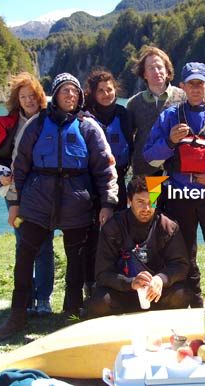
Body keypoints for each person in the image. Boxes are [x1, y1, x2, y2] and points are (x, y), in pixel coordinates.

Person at [0, 73, 118, 340]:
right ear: (55, 96)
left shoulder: (88, 127)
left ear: (80, 96)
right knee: (25, 255)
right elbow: (20, 166)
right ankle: (18, 314)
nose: (70, 95)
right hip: (38, 201)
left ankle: (71, 313)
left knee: (77, 259)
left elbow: (105, 169)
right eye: (64, 91)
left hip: (76, 202)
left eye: (74, 91)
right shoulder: (37, 125)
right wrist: (15, 203)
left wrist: (107, 203)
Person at [143, 62, 205, 307]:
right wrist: (169, 141)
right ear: (182, 86)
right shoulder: (169, 117)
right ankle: (194, 304)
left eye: (200, 83)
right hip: (178, 198)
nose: (196, 88)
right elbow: (150, 157)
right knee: (185, 256)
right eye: (191, 84)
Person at [0, 72, 55, 317]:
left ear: (40, 96)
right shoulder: (10, 126)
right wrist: (2, 182)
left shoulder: (50, 119)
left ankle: (43, 298)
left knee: (44, 246)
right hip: (18, 198)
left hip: (45, 197)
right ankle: (27, 296)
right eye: (23, 97)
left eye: (32, 96)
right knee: (23, 244)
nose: (29, 101)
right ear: (17, 100)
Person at [86, 176, 193, 317]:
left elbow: (180, 265)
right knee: (99, 302)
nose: (147, 208)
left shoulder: (168, 226)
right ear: (130, 201)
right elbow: (102, 273)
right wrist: (130, 283)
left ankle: (159, 321)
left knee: (182, 294)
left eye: (151, 202)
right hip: (123, 291)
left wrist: (161, 279)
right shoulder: (113, 227)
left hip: (155, 292)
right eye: (140, 202)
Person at [82, 69, 133, 299]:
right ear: (92, 93)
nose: (106, 94)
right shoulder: (84, 116)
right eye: (100, 91)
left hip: (118, 181)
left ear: (116, 90)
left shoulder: (124, 114)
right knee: (91, 235)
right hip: (90, 184)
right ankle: (89, 284)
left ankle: (117, 281)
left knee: (117, 232)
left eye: (109, 89)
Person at [127, 46, 185, 176]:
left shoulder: (183, 97)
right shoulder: (134, 103)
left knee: (174, 197)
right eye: (151, 68)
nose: (156, 71)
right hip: (145, 171)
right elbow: (127, 138)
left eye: (159, 67)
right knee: (151, 198)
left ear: (167, 71)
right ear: (144, 74)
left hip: (177, 170)